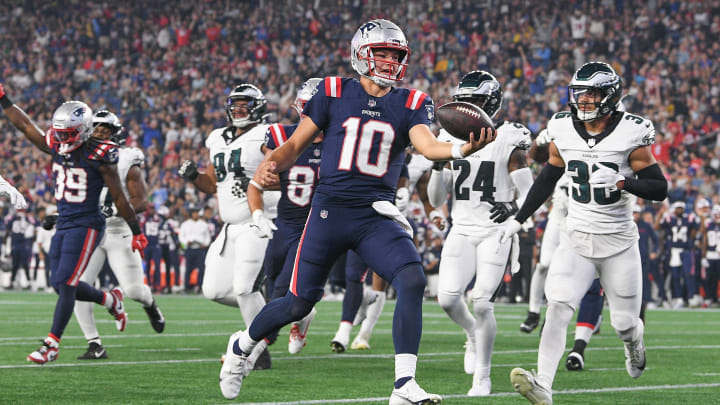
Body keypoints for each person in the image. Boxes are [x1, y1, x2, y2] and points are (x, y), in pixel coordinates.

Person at [219, 19, 494, 403]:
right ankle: (241, 347)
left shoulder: (412, 101)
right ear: (360, 54)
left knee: (412, 279)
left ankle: (403, 385)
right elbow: (296, 143)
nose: (388, 62)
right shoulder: (332, 91)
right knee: (299, 302)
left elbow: (428, 147)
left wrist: (461, 150)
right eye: (380, 54)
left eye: (394, 56)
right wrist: (272, 164)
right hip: (329, 211)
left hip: (374, 214)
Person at [498, 62, 667, 404]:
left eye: (592, 93)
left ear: (609, 95)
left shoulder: (631, 133)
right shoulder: (562, 127)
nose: (584, 100)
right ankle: (543, 384)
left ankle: (635, 343)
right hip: (575, 236)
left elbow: (660, 188)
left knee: (624, 324)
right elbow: (548, 177)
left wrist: (624, 182)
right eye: (580, 93)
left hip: (618, 243)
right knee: (558, 305)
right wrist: (519, 218)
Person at [0, 84, 148, 364]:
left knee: (67, 282)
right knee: (60, 283)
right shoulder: (57, 144)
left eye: (68, 134)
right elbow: (25, 126)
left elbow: (119, 196)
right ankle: (110, 300)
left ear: (83, 130)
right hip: (65, 221)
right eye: (60, 133)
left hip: (88, 223)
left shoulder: (100, 156)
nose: (62, 139)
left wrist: (137, 231)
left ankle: (51, 344)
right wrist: (3, 99)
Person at [426, 70, 533, 396]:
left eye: (477, 103)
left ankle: (482, 377)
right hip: (461, 228)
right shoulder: (447, 138)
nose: (469, 110)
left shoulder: (509, 137)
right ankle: (472, 334)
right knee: (446, 299)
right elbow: (436, 199)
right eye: (466, 102)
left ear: (492, 104)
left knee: (482, 301)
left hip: (495, 231)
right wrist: (436, 163)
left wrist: (515, 209)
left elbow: (530, 191)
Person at [178, 83, 278, 367]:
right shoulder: (217, 139)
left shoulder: (265, 135)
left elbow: (281, 167)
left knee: (244, 289)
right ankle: (276, 313)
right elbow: (212, 184)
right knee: (215, 290)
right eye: (235, 105)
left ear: (257, 107)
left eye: (245, 105)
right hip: (230, 226)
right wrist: (194, 176)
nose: (239, 110)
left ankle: (256, 351)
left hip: (257, 221)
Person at [74, 111, 165, 360]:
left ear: (117, 134)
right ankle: (94, 344)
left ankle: (150, 304)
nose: (100, 135)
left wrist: (113, 209)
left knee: (134, 290)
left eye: (106, 131)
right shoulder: (80, 155)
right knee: (78, 287)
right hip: (92, 231)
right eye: (96, 130)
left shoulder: (126, 158)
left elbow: (141, 201)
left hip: (118, 230)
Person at [250, 77, 322, 355]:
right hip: (285, 219)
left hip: (315, 223)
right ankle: (303, 318)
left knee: (283, 287)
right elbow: (264, 176)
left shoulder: (339, 142)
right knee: (271, 278)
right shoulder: (282, 135)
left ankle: (255, 347)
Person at [659, 201, 702, 308]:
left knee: (688, 275)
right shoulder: (669, 218)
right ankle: (678, 298)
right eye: (677, 208)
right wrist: (661, 214)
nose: (679, 210)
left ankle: (691, 297)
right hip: (674, 251)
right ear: (674, 209)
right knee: (675, 276)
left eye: (681, 208)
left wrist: (692, 240)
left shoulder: (689, 218)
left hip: (686, 250)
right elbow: (658, 227)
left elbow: (697, 228)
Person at [178, 206, 211, 292]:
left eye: (197, 213)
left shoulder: (204, 224)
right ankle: (187, 286)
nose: (195, 214)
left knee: (201, 268)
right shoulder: (185, 224)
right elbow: (181, 236)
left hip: (200, 248)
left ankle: (199, 286)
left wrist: (205, 244)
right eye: (194, 213)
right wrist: (186, 242)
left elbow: (207, 237)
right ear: (191, 214)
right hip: (190, 248)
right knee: (188, 268)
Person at [158, 205, 180, 294]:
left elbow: (174, 234)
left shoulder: (169, 223)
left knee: (171, 267)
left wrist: (176, 243)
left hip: (169, 247)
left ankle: (172, 285)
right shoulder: (158, 223)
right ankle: (162, 286)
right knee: (160, 267)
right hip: (161, 246)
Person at [702, 205, 720, 307]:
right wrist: (703, 256)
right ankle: (709, 297)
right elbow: (705, 240)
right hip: (711, 255)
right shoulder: (709, 224)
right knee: (710, 279)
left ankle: (717, 297)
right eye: (716, 214)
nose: (717, 216)